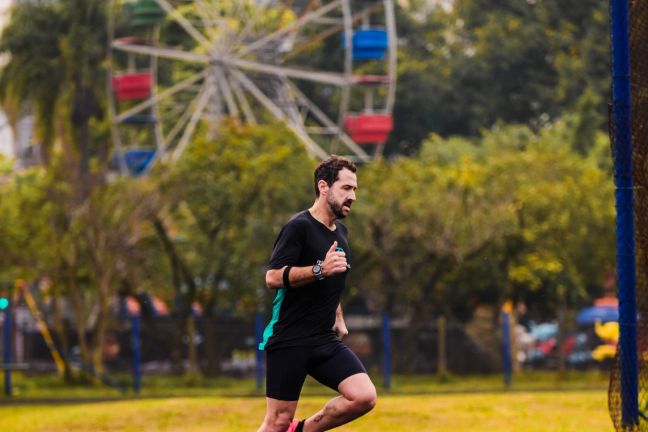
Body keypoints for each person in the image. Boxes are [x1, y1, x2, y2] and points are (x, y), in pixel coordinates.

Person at [257, 155, 376, 432]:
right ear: (324, 187)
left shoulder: (341, 232)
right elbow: (272, 277)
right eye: (346, 188)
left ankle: (301, 431)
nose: (353, 196)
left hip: (323, 339)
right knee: (276, 422)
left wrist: (338, 315)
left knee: (364, 396)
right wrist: (319, 268)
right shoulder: (299, 227)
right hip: (290, 337)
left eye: (355, 189)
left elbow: (333, 281)